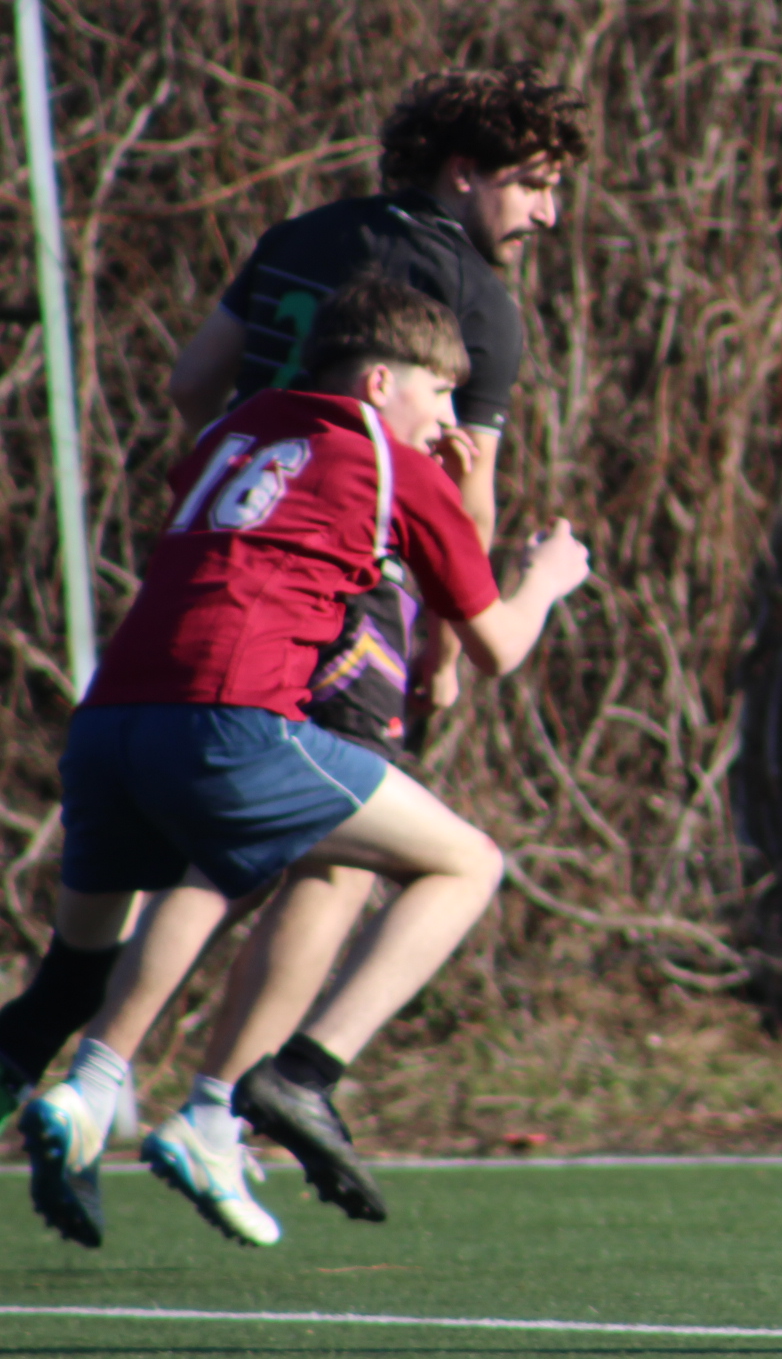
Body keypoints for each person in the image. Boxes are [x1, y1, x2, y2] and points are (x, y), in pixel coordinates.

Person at [14, 276, 591, 1249]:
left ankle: (89, 1090)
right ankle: (299, 1078)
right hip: (231, 720)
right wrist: (545, 578)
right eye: (438, 393)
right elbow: (496, 644)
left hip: (109, 722)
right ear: (379, 382)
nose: (448, 419)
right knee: (466, 863)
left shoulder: (238, 430)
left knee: (101, 954)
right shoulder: (392, 461)